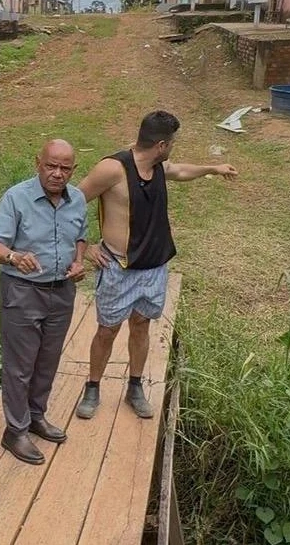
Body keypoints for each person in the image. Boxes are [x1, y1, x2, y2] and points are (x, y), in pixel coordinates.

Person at [75, 111, 237, 419]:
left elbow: (181, 171)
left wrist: (213, 169)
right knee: (107, 331)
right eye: (172, 143)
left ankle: (134, 386)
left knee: (141, 325)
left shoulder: (159, 166)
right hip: (119, 267)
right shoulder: (113, 169)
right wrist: (83, 247)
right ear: (161, 144)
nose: (172, 149)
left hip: (153, 269)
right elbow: (72, 201)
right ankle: (93, 387)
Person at [0, 139, 88, 465]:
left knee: (48, 360)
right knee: (20, 365)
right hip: (22, 291)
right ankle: (15, 431)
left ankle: (35, 416)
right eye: (51, 166)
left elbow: (81, 237)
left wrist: (79, 261)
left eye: (65, 168)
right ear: (38, 163)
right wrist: (15, 257)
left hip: (62, 292)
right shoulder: (17, 198)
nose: (57, 174)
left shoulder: (78, 200)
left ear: (74, 170)